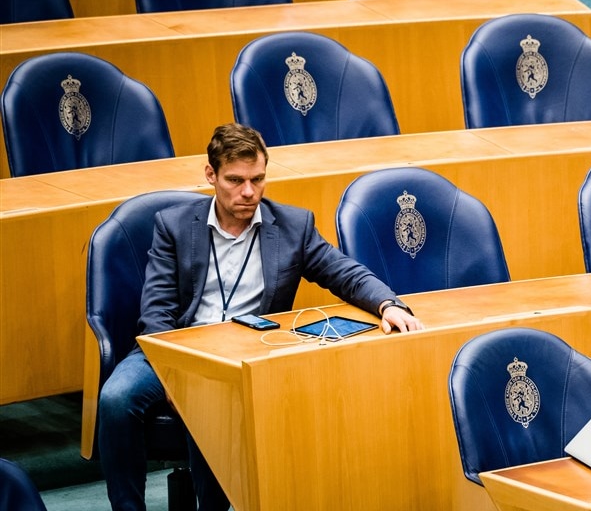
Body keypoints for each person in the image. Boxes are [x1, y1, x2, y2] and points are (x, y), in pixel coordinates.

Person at [97, 123, 423, 510]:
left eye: (257, 179)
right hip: (175, 346)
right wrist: (174, 372)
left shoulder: (292, 227)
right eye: (235, 180)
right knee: (115, 398)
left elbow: (345, 273)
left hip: (246, 354)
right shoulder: (173, 226)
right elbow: (157, 313)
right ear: (211, 175)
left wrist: (389, 304)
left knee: (213, 404)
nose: (248, 192)